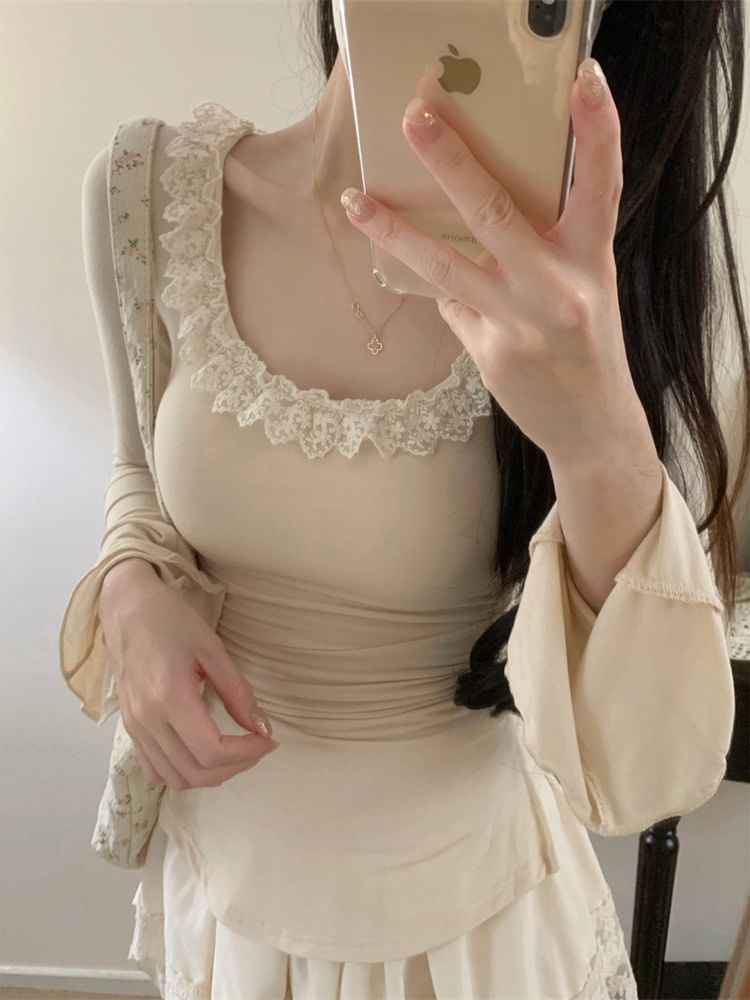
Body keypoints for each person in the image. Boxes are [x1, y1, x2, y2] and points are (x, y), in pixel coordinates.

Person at [59, 0, 749, 996]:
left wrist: (597, 433)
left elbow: (647, 778)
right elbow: (136, 469)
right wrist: (130, 582)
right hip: (228, 890)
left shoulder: (580, 287)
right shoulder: (146, 191)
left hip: (471, 928)